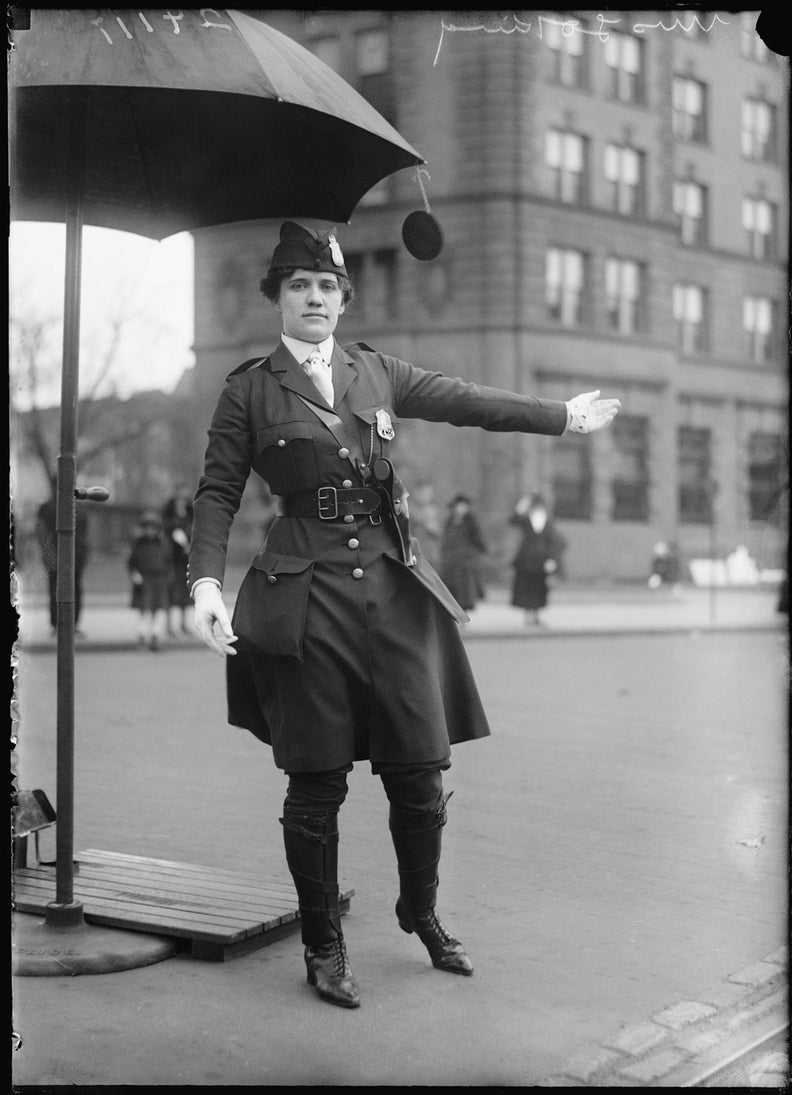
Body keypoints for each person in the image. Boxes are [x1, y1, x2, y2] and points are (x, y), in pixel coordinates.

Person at [188, 221, 620, 1010]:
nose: (314, 298)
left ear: (343, 300)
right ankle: (324, 944)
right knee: (316, 785)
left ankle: (419, 909)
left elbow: (467, 400)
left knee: (421, 774)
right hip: (305, 597)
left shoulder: (375, 371)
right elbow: (216, 492)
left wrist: (558, 415)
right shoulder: (248, 388)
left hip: (391, 593)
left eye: (326, 288)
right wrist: (204, 586)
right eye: (299, 287)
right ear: (277, 300)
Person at [34, 477, 90, 638]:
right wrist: (48, 555)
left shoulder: (75, 507)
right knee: (62, 589)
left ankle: (67, 624)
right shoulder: (52, 508)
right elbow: (41, 532)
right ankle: (62, 624)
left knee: (68, 589)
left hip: (73, 556)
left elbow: (83, 534)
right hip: (62, 555)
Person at [509, 493, 565, 626]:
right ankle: (528, 615)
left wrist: (551, 559)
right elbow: (512, 520)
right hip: (526, 561)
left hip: (541, 562)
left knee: (539, 590)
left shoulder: (548, 522)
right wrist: (522, 504)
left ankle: (536, 615)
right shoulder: (526, 520)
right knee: (526, 588)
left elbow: (553, 542)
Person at [128, 510, 170, 651]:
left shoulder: (162, 543)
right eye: (147, 528)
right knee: (143, 610)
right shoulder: (138, 544)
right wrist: (134, 574)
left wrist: (168, 578)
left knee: (159, 610)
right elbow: (132, 562)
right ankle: (141, 635)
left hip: (159, 579)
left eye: (153, 528)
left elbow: (168, 561)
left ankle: (155, 636)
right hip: (143, 579)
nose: (149, 531)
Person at [440, 494, 487, 612]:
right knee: (450, 589)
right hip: (450, 561)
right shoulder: (449, 522)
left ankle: (462, 614)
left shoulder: (471, 523)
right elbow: (445, 541)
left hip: (465, 563)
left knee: (465, 591)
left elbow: (479, 541)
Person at [162, 486, 194, 635]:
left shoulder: (190, 516)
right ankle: (169, 626)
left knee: (185, 592)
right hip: (171, 560)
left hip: (185, 560)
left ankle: (183, 624)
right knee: (171, 592)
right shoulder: (167, 517)